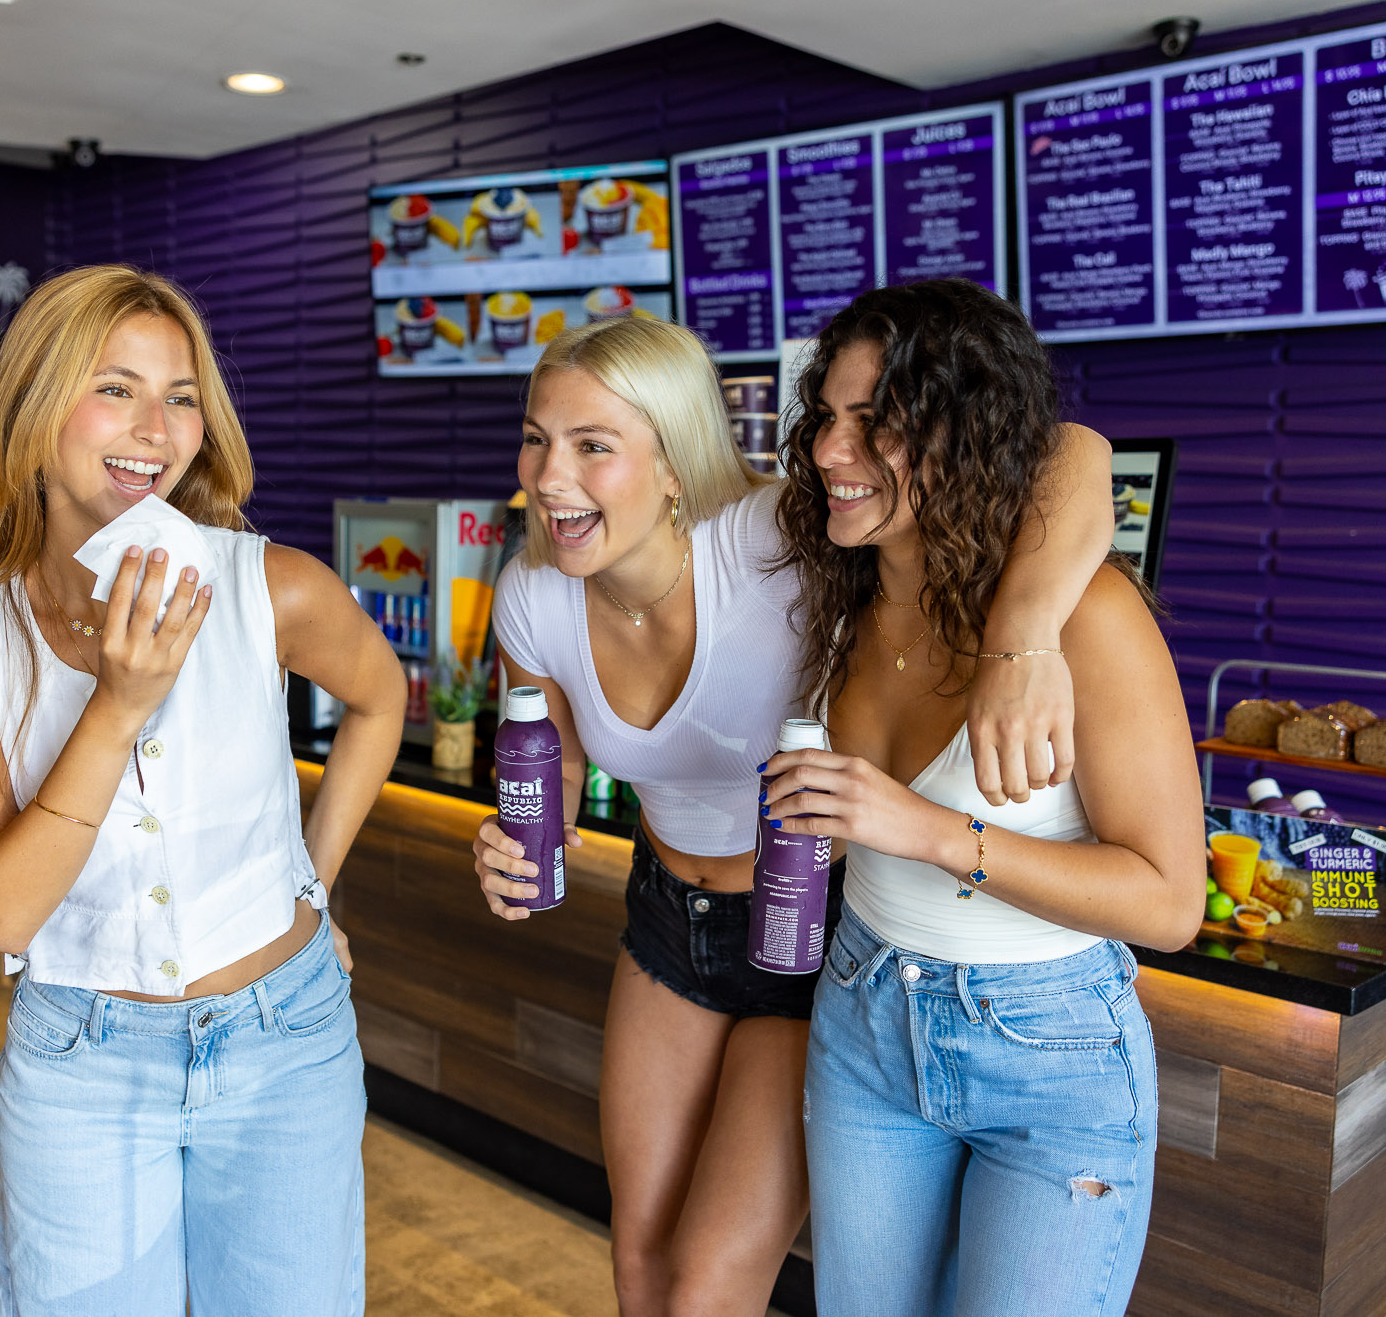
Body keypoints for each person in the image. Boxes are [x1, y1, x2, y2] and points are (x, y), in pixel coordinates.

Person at [472, 313, 1117, 1316]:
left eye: (592, 445)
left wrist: (1027, 630)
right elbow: (543, 770)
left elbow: (1073, 453)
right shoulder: (531, 593)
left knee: (706, 1285)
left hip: (803, 933)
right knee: (639, 1264)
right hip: (663, 923)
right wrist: (510, 845)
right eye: (535, 438)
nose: (548, 476)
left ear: (674, 462)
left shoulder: (776, 536)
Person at [0, 264, 404, 1317]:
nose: (158, 425)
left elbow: (379, 696)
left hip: (287, 1043)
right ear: (36, 410)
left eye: (181, 396)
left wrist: (310, 879)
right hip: (84, 1065)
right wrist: (118, 707)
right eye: (116, 387)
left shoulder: (269, 584)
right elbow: (1, 910)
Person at [760, 280, 1203, 1317]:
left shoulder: (1081, 616)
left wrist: (923, 830)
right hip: (863, 1015)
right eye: (825, 416)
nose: (830, 450)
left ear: (969, 433)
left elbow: (1167, 902)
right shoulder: (846, 589)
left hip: (1049, 1049)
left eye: (876, 424)